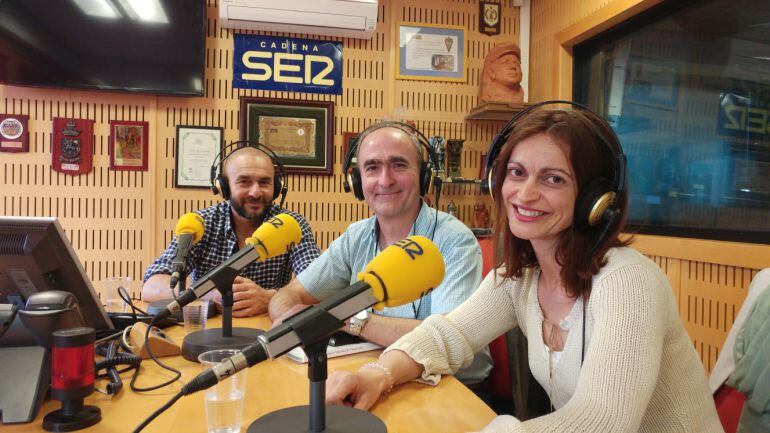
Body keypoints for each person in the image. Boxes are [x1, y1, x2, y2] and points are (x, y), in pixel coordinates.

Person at [325, 107, 723, 432]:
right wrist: (379, 374)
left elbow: (603, 420)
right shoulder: (520, 278)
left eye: (553, 178)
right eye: (517, 173)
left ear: (594, 198)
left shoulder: (628, 282)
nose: (525, 193)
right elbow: (449, 334)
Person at [269, 122, 492, 387]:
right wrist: (289, 321)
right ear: (356, 182)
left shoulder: (455, 241)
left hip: (446, 387)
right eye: (372, 167)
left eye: (398, 165)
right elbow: (290, 295)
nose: (385, 180)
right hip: (372, 375)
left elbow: (446, 338)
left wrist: (342, 319)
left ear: (424, 176)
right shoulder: (356, 236)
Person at [142, 145, 320, 317]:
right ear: (224, 187)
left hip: (266, 330)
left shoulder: (290, 225)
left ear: (277, 188)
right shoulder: (202, 224)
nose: (255, 192)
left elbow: (319, 286)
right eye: (244, 182)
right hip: (206, 333)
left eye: (264, 182)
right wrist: (207, 292)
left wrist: (270, 297)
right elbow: (151, 286)